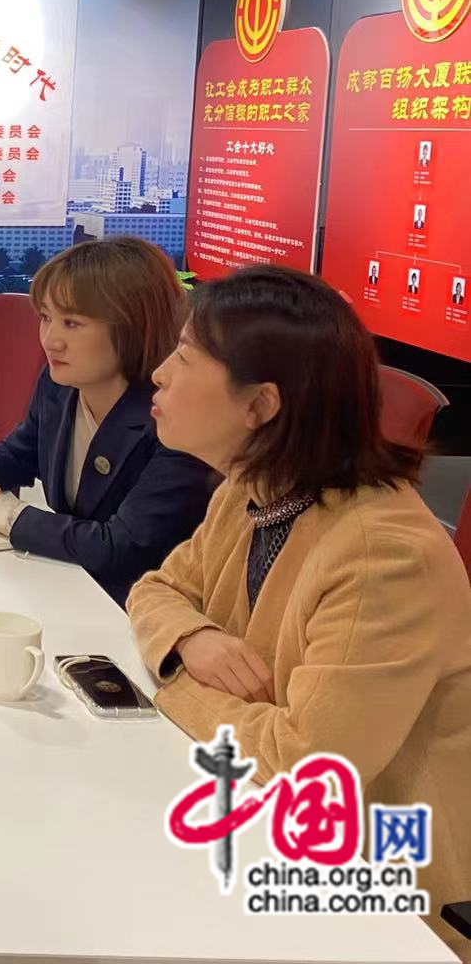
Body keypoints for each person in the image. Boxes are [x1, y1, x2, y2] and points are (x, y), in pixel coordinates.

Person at [130, 265, 471, 958]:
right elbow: (156, 589)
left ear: (260, 405)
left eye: (185, 358)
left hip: (370, 896)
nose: (159, 375)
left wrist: (174, 678)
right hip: (255, 830)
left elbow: (304, 766)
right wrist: (191, 636)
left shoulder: (383, 555)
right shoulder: (253, 488)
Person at [0, 237, 219, 604]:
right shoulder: (59, 386)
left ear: (132, 326)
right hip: (67, 587)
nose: (51, 340)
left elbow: (121, 548)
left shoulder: (175, 420)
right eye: (46, 318)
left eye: (72, 323)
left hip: (137, 609)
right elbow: (21, 451)